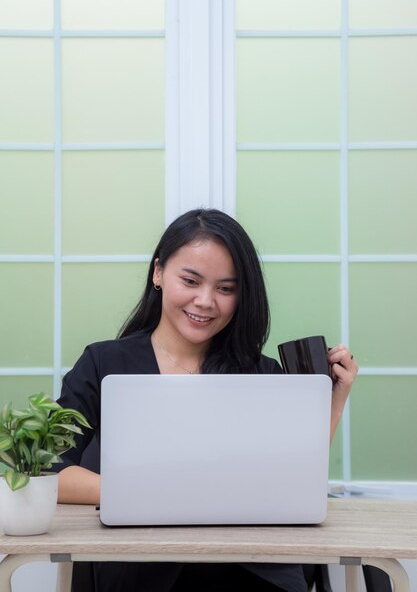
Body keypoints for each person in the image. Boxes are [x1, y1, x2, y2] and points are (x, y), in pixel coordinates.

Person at [57, 208, 358, 592]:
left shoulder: (260, 373)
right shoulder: (103, 362)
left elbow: (293, 478)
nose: (205, 301)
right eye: (191, 280)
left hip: (253, 565)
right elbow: (52, 473)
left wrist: (333, 400)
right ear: (158, 273)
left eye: (225, 288)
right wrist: (145, 492)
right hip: (143, 563)